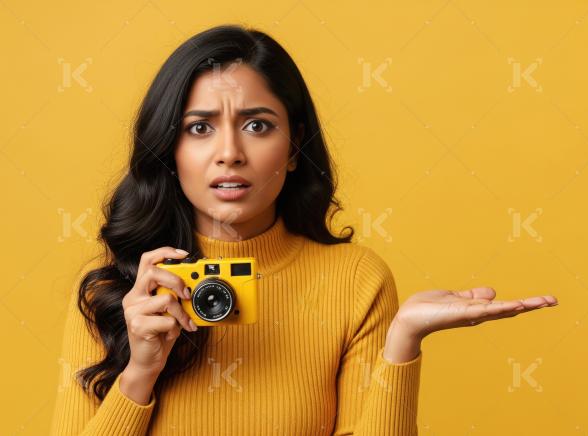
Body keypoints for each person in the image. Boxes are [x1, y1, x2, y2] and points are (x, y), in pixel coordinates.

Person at [49, 24, 558, 435]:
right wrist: (140, 372)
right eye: (199, 127)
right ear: (170, 150)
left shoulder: (357, 280)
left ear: (294, 149)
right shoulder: (116, 291)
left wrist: (403, 342)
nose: (230, 152)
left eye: (257, 125)